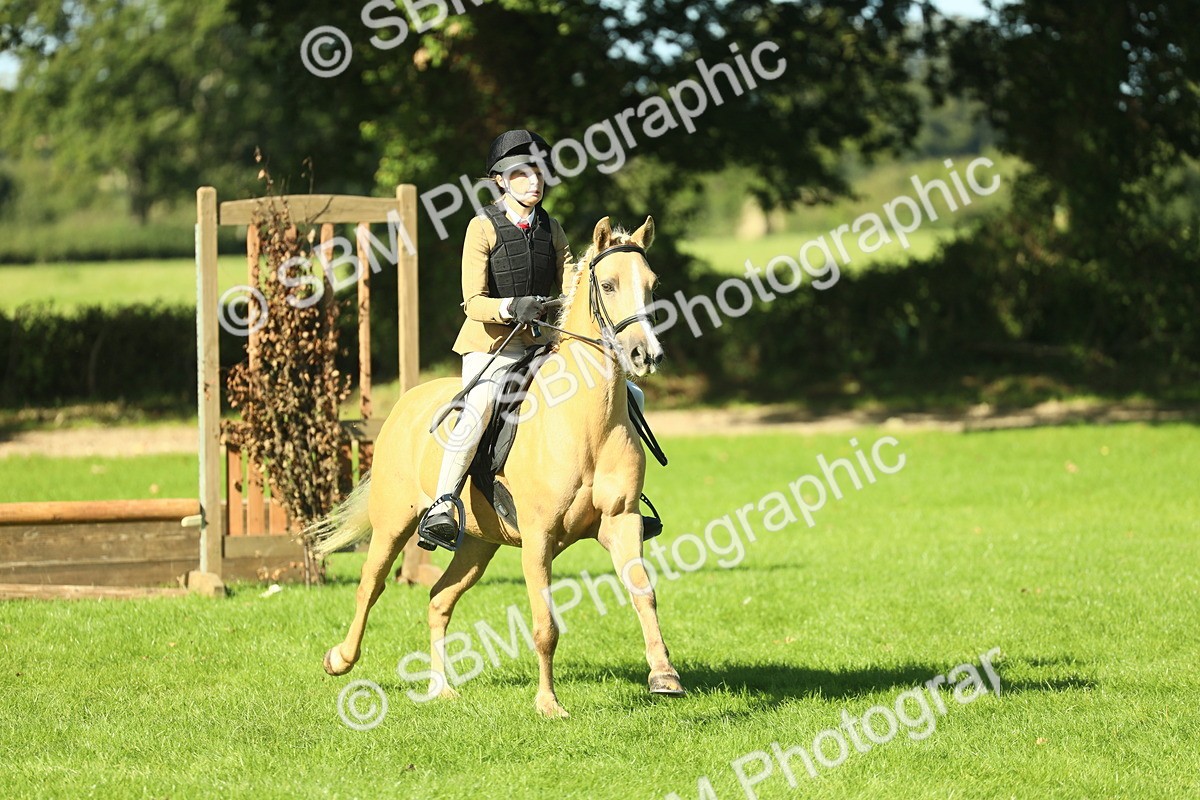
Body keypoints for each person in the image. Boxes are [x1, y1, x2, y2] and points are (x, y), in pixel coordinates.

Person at [418, 130, 573, 550]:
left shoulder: (551, 228)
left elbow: (571, 280)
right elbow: (472, 302)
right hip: (491, 347)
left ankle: (621, 494)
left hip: (542, 346)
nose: (534, 182)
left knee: (623, 391)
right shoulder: (481, 227)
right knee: (481, 405)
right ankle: (442, 504)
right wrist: (511, 308)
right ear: (501, 181)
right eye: (521, 174)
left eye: (538, 172)